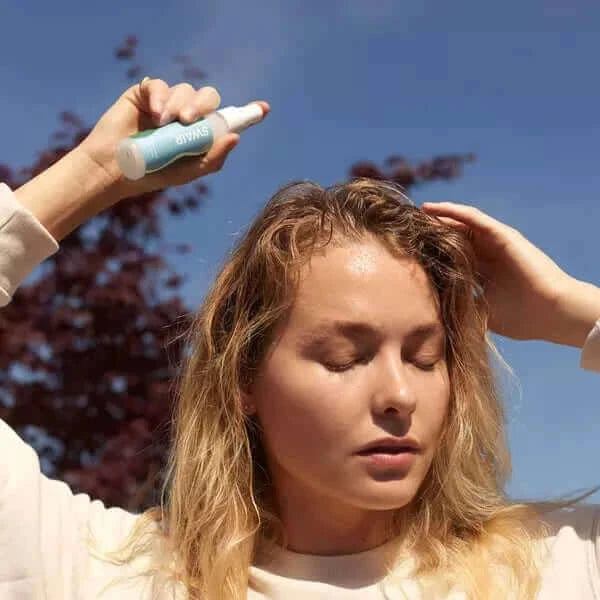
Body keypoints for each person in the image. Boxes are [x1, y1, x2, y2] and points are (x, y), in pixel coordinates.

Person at [0, 79, 599, 600]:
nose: (399, 395)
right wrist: (97, 172)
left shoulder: (559, 566)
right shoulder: (106, 573)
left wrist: (570, 310)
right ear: (243, 381)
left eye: (425, 357)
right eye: (344, 358)